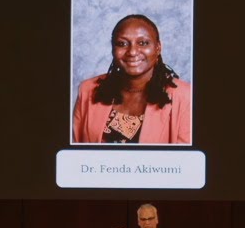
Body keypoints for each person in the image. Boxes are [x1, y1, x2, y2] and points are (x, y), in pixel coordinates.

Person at [73, 14, 192, 145]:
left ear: (158, 47)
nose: (132, 52)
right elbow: (75, 155)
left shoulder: (185, 97)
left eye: (143, 43)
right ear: (113, 49)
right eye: (122, 44)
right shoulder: (87, 90)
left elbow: (186, 161)